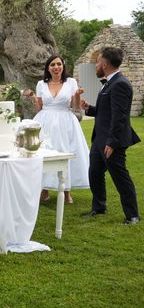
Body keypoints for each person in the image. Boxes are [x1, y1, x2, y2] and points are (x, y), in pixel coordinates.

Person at [80, 46, 140, 224]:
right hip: (100, 139)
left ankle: (133, 215)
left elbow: (119, 117)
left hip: (111, 142)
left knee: (120, 177)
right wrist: (88, 109)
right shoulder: (110, 82)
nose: (96, 65)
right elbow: (105, 112)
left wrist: (112, 143)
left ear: (105, 64)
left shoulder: (120, 83)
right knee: (94, 173)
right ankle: (99, 207)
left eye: (97, 61)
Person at [31, 54, 90, 203]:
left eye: (59, 64)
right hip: (44, 121)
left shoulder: (71, 82)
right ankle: (44, 190)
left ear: (63, 66)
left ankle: (66, 191)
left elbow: (75, 107)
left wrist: (77, 95)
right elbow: (39, 108)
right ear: (48, 68)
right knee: (43, 154)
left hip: (65, 121)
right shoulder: (41, 84)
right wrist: (32, 98)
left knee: (65, 153)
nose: (56, 67)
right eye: (52, 65)